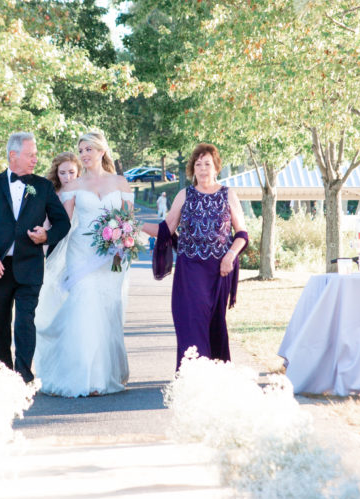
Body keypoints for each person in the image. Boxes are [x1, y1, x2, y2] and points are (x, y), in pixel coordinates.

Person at [34, 129, 132, 397]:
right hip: (80, 253)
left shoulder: (120, 183)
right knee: (85, 305)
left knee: (106, 310)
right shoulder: (73, 187)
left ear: (101, 151)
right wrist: (43, 235)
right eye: (81, 151)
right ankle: (84, 378)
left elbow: (127, 221)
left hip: (111, 256)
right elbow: (63, 223)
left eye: (88, 149)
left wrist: (121, 243)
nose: (84, 155)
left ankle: (103, 375)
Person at [0, 132, 71, 383]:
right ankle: (3, 377)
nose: (35, 159)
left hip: (30, 266)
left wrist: (46, 236)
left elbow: (63, 223)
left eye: (36, 155)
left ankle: (23, 377)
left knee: (25, 322)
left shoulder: (43, 187)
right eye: (31, 155)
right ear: (13, 155)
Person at [142, 143, 249, 369]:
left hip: (219, 270)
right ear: (192, 168)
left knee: (215, 324)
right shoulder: (184, 194)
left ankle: (216, 376)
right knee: (190, 322)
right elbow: (166, 229)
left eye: (207, 164)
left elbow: (242, 234)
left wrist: (230, 256)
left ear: (216, 167)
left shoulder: (228, 194)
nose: (202, 169)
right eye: (198, 164)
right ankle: (193, 376)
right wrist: (136, 225)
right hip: (189, 270)